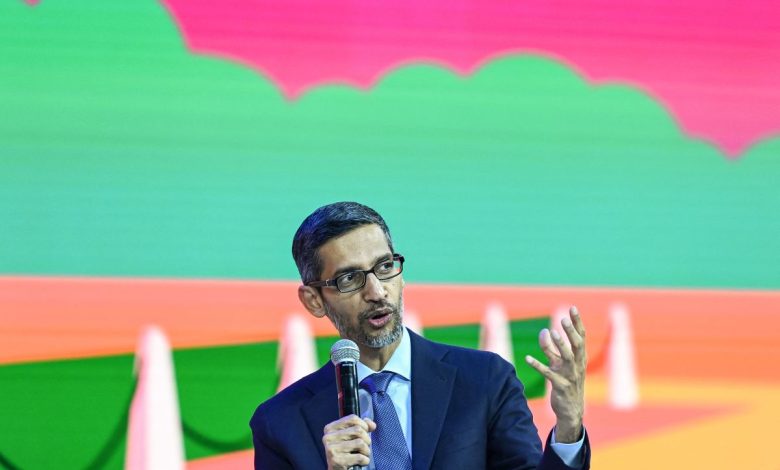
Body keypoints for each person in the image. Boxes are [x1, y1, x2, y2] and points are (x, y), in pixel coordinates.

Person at [250, 202, 590, 469]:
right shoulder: (280, 423)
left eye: (385, 268)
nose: (377, 291)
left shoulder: (484, 381)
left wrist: (569, 428)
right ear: (313, 300)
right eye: (350, 279)